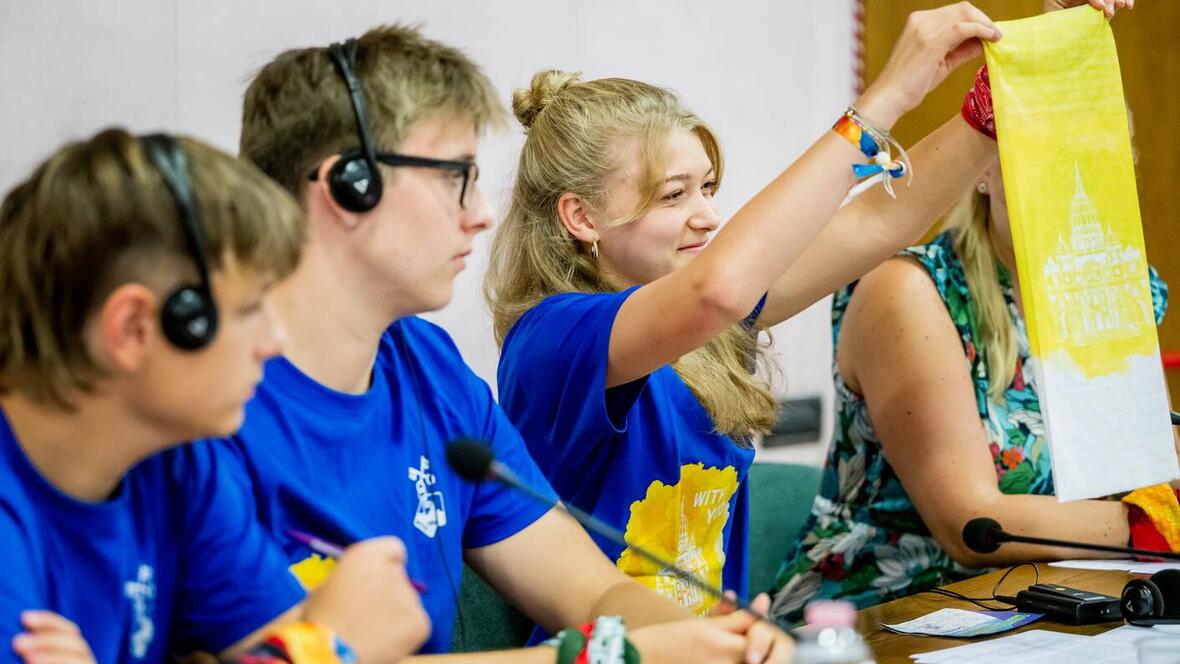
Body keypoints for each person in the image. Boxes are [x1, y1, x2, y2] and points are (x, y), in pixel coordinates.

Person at [228, 24, 791, 663]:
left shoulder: (430, 371)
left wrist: (709, 640)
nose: (481, 213)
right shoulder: (206, 400)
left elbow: (593, 592)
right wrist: (613, 656)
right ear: (347, 186)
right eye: (453, 178)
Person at [483, 0, 1023, 616]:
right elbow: (721, 288)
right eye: (674, 195)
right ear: (582, 217)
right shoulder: (553, 337)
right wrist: (883, 101)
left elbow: (879, 220)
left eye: (708, 187)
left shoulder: (704, 330)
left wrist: (993, 105)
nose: (708, 215)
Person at [0, 128, 430, 664]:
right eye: (251, 309)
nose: (274, 342)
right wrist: (333, 648)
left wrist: (317, 644)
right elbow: (314, 647)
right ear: (134, 328)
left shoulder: (176, 462)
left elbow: (277, 636)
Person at [768, 68, 1179, 622]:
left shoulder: (1114, 289)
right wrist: (1156, 523)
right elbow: (973, 524)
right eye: (1045, 160)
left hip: (1060, 596)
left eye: (1095, 165)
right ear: (983, 166)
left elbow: (1144, 459)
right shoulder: (911, 290)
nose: (1070, 184)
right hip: (890, 612)